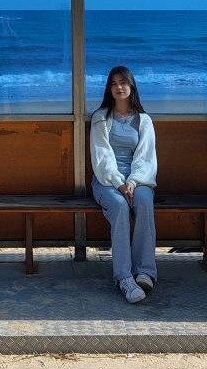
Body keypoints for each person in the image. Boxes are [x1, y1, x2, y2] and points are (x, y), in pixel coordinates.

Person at [90, 65, 157, 304]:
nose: (119, 87)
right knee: (119, 206)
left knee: (144, 201)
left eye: (123, 83)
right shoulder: (101, 117)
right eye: (114, 83)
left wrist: (133, 181)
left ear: (131, 86)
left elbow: (146, 158)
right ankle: (124, 278)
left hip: (138, 179)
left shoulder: (144, 120)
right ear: (109, 89)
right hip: (106, 181)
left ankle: (146, 271)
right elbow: (102, 157)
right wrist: (119, 183)